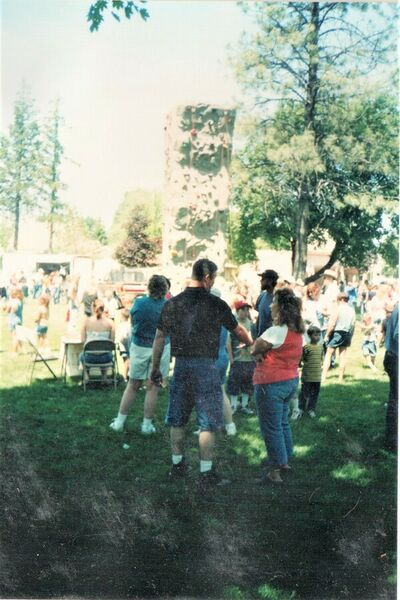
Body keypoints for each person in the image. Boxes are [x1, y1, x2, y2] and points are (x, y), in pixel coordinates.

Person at [150, 258, 252, 488]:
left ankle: (177, 466)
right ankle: (206, 473)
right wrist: (251, 344)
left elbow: (159, 337)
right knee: (207, 423)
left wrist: (155, 368)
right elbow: (238, 330)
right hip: (207, 367)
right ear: (207, 278)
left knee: (177, 419)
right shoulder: (216, 303)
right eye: (213, 278)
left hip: (182, 366)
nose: (213, 282)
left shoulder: (173, 303)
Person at [251, 288, 305, 483]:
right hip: (290, 381)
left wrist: (259, 351)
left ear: (281, 308)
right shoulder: (298, 332)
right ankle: (284, 461)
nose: (270, 306)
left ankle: (275, 471)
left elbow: (255, 348)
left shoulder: (275, 331)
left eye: (273, 302)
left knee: (271, 427)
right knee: (282, 423)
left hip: (270, 383)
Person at [110, 275, 170, 435]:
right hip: (161, 348)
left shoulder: (139, 303)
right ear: (165, 289)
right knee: (153, 387)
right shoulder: (168, 305)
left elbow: (133, 322)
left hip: (140, 346)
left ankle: (119, 422)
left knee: (132, 385)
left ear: (149, 287)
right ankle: (146, 425)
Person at [227, 300, 256, 415]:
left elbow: (254, 341)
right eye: (243, 310)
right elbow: (228, 342)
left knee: (248, 383)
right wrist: (231, 359)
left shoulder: (251, 324)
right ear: (237, 311)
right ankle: (233, 406)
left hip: (249, 359)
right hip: (237, 359)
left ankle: (244, 405)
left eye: (247, 310)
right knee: (234, 383)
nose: (246, 312)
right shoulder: (233, 324)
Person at [321, 292, 356, 382]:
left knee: (328, 354)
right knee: (342, 355)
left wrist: (327, 335)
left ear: (340, 299)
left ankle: (323, 377)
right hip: (347, 333)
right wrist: (351, 335)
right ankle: (340, 378)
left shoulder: (337, 309)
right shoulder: (352, 310)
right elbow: (353, 324)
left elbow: (332, 323)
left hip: (337, 332)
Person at [80, 298, 115, 382]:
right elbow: (112, 342)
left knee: (82, 355)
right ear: (104, 309)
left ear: (93, 308)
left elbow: (83, 341)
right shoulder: (110, 323)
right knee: (107, 351)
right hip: (106, 358)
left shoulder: (86, 322)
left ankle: (86, 376)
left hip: (89, 358)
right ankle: (104, 377)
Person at [299, 325, 324, 418]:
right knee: (304, 393)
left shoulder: (321, 347)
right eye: (315, 335)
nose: (318, 337)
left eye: (319, 335)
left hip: (317, 377)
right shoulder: (306, 347)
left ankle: (311, 409)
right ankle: (301, 408)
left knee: (314, 394)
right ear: (309, 336)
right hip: (307, 376)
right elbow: (302, 359)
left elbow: (321, 360)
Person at [383, 303, 398, 453]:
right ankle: (393, 441)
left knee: (394, 398)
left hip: (393, 356)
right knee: (396, 400)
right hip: (396, 358)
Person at [255, 269, 279, 336]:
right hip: (261, 337)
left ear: (270, 281)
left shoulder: (278, 298)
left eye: (263, 279)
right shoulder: (261, 295)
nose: (260, 281)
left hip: (272, 338)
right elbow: (259, 316)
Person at [5, 288, 24, 355]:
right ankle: (23, 349)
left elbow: (9, 310)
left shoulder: (13, 301)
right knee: (18, 335)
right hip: (19, 319)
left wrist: (8, 309)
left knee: (15, 337)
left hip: (12, 320)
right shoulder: (20, 301)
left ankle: (14, 352)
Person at [115, 308, 131, 382]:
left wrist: (119, 341)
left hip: (124, 346)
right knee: (127, 360)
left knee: (126, 361)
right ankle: (127, 374)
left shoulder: (121, 326)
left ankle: (125, 376)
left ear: (121, 317)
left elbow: (122, 336)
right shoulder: (129, 325)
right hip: (129, 345)